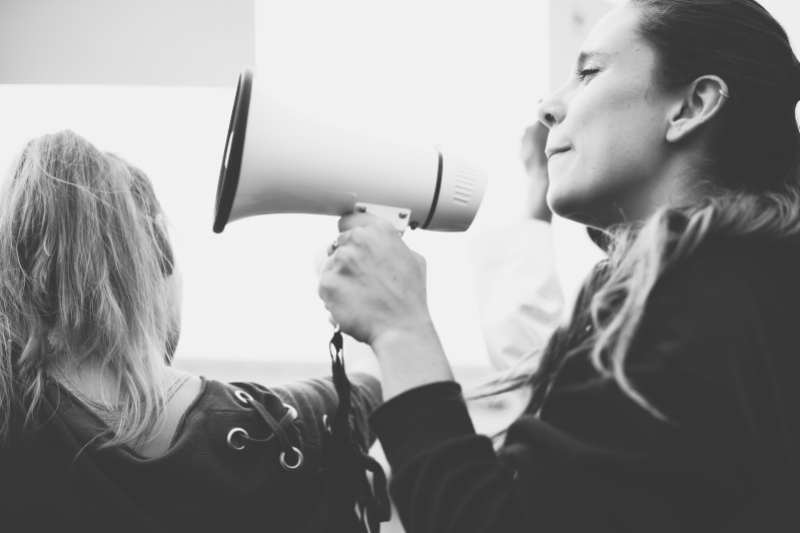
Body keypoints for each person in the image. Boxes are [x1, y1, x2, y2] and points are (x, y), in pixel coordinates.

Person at [318, 0, 800, 531]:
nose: (548, 105)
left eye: (589, 72)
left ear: (691, 106)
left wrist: (400, 328)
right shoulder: (749, 287)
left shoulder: (698, 298)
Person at [0, 131, 386, 532]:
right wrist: (372, 302)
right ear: (156, 266)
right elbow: (370, 386)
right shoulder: (265, 429)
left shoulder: (12, 412)